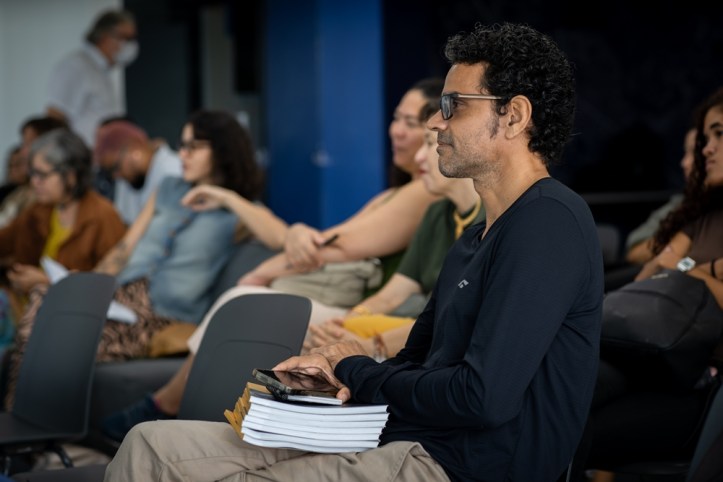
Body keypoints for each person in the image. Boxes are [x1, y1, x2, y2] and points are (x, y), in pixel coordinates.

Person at [105, 22, 603, 482]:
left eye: (453, 105)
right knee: (148, 445)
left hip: (459, 466)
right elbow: (414, 362)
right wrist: (339, 375)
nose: (436, 122)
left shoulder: (548, 222)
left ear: (513, 116)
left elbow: (481, 398)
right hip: (397, 438)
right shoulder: (473, 239)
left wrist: (354, 369)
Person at [99, 78, 444, 442]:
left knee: (244, 301)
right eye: (396, 118)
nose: (396, 130)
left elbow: (334, 248)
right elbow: (328, 239)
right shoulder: (397, 194)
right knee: (244, 304)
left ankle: (170, 409)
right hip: (361, 308)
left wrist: (265, 268)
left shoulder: (424, 196)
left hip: (374, 315)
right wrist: (299, 238)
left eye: (412, 125)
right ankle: (191, 420)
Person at [4, 110, 288, 409]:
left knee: (53, 336)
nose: (182, 154)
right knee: (46, 298)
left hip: (159, 315)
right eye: (182, 145)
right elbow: (125, 247)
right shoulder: (168, 189)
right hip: (121, 297)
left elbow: (282, 237)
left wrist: (225, 197)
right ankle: (24, 420)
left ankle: (23, 420)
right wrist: (89, 288)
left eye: (193, 146)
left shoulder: (239, 213)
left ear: (222, 150)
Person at [571, 86, 723, 479]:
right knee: (561, 389)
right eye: (706, 138)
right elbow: (648, 279)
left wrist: (683, 270)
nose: (707, 149)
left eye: (720, 135)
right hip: (649, 358)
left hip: (700, 384)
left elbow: (669, 271)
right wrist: (704, 272)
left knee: (575, 432)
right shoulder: (702, 215)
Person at [305, 101, 484, 358]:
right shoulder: (436, 213)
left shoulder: (490, 219)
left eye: (429, 143)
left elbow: (452, 321)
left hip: (438, 348)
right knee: (321, 337)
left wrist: (372, 345)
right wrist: (349, 321)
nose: (419, 157)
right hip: (415, 337)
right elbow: (391, 295)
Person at [46, 9, 138, 147]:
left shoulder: (102, 71)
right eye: (125, 38)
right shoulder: (77, 66)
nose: (130, 45)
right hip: (83, 155)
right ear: (104, 35)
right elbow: (55, 115)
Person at [625, 126, 697, 265]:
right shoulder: (681, 204)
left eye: (694, 152)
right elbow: (634, 248)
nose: (684, 163)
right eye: (686, 152)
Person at [93, 119, 183, 224]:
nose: (115, 176)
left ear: (135, 150)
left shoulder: (175, 170)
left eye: (115, 167)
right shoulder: (126, 181)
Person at [0, 116, 69, 228]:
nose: (23, 152)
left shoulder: (51, 198)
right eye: (23, 144)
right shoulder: (21, 192)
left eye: (29, 144)